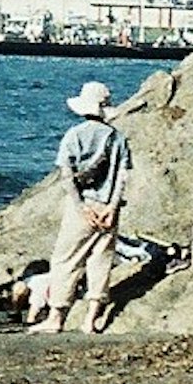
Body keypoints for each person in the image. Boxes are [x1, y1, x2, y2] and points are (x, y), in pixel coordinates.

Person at [33, 82, 133, 336]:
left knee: (66, 260)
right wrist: (111, 207)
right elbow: (122, 176)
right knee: (101, 260)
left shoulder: (74, 135)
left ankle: (57, 316)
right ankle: (91, 319)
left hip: (83, 205)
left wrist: (81, 208)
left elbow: (67, 177)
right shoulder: (117, 138)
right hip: (108, 206)